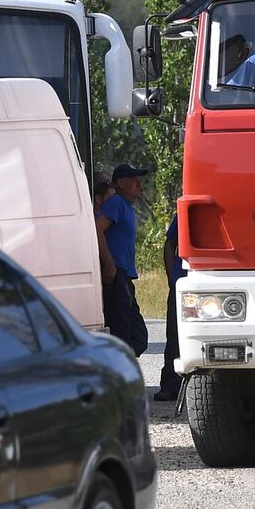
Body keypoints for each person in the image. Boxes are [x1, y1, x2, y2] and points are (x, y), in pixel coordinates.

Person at [96, 163, 150, 354]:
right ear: (120, 183)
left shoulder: (126, 206)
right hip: (117, 274)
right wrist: (110, 266)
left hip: (125, 275)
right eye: (133, 179)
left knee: (137, 337)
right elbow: (97, 230)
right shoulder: (117, 203)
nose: (139, 183)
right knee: (123, 334)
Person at [155, 213, 183, 402]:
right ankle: (170, 386)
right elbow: (169, 244)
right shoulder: (186, 213)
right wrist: (172, 277)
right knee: (174, 335)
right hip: (182, 282)